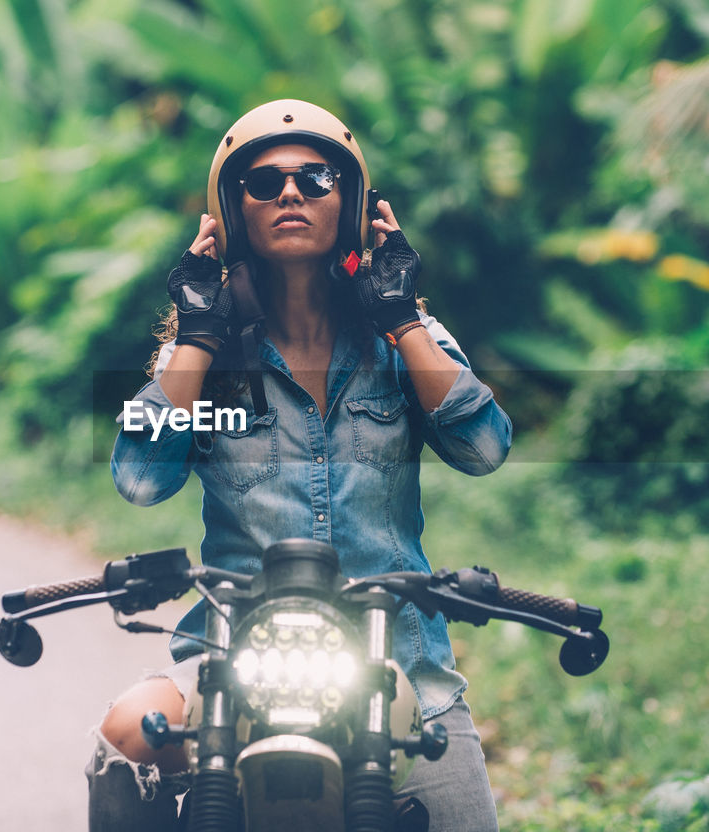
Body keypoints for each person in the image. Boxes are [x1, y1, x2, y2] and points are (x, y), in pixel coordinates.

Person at [90, 99, 512, 830]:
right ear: (232, 208)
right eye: (264, 182)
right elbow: (138, 478)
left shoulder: (405, 340)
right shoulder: (203, 361)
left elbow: (483, 448)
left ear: (350, 204)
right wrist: (198, 332)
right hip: (240, 667)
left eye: (317, 179)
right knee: (130, 728)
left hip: (399, 666)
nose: (291, 193)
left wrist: (403, 318)